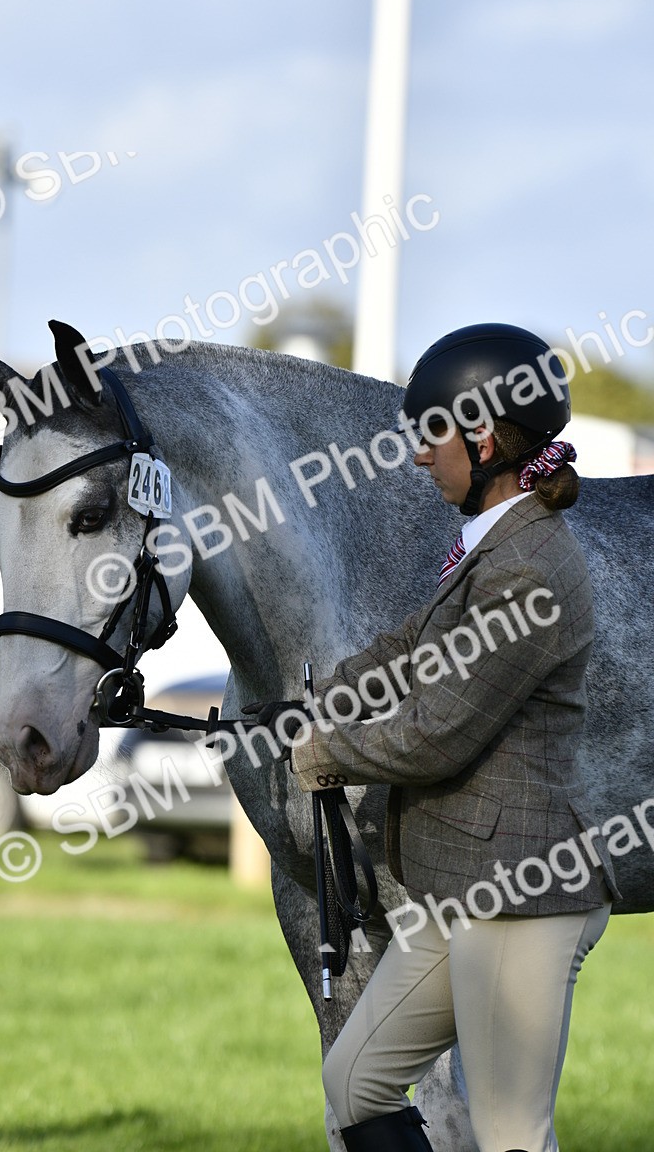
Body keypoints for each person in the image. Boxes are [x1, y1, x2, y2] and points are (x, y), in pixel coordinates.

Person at [270, 324, 620, 1152]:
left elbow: (437, 735)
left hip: (519, 891)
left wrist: (325, 754)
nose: (421, 455)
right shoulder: (492, 545)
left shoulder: (528, 567)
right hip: (460, 885)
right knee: (356, 1082)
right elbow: (411, 649)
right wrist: (313, 700)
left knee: (510, 1134)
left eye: (432, 435)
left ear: (484, 440)